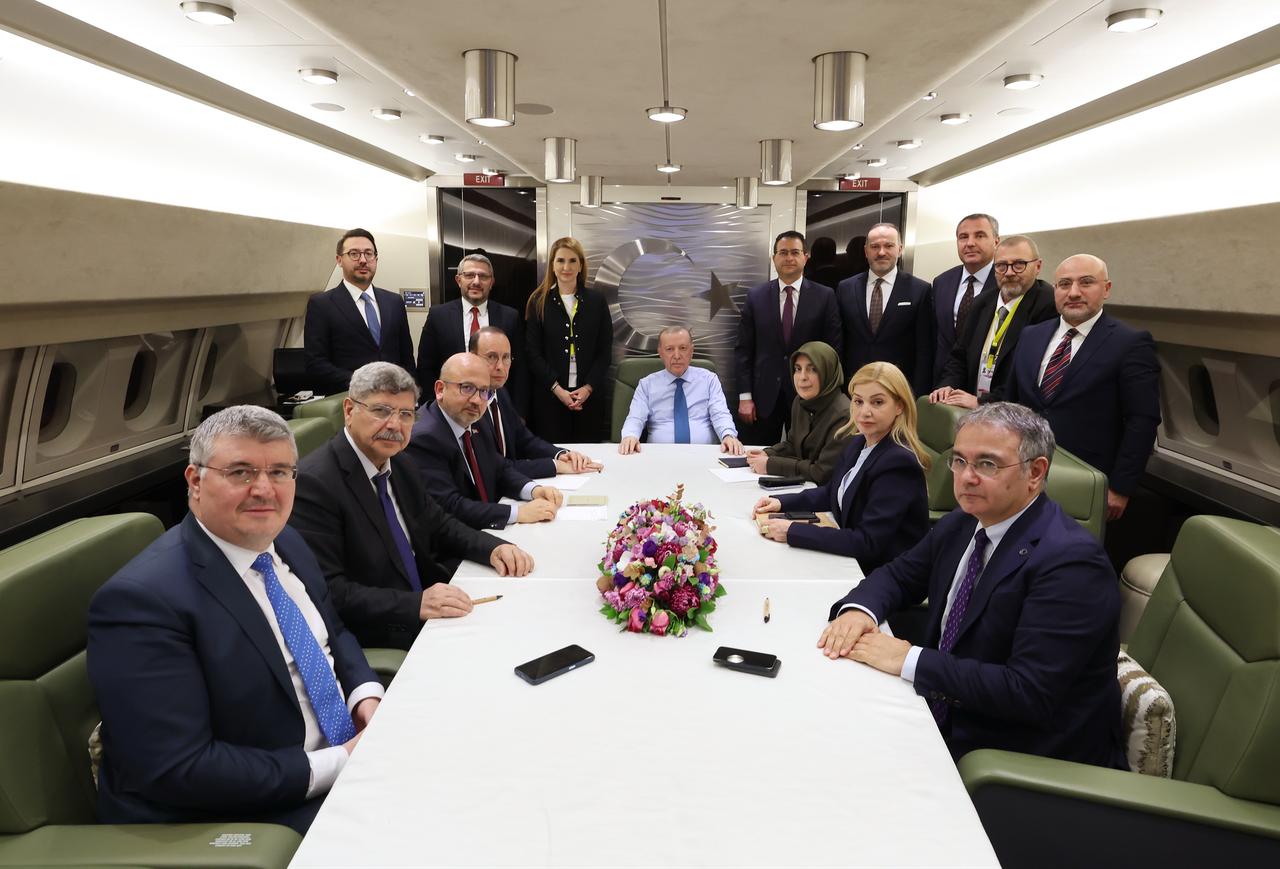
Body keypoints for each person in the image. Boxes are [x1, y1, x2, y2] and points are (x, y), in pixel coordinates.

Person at [87, 406, 382, 834]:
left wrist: (365, 699)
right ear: (195, 482)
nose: (264, 489)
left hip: (343, 757)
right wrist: (342, 761)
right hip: (247, 812)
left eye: (280, 472)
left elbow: (332, 633)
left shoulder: (286, 542)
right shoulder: (141, 602)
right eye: (241, 472)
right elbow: (179, 768)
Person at [818, 402, 1127, 770]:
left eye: (987, 464)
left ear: (1035, 472)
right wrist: (859, 611)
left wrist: (907, 658)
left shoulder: (1072, 565)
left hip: (1012, 757)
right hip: (944, 709)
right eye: (960, 461)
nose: (966, 477)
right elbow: (899, 575)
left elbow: (1026, 692)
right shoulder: (963, 523)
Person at [289, 362, 534, 651]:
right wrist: (416, 604)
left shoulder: (400, 461)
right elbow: (330, 591)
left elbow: (438, 522)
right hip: (385, 630)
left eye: (406, 414)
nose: (395, 425)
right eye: (381, 411)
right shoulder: (315, 483)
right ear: (349, 410)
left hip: (433, 603)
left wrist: (493, 547)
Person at [1006, 254, 1161, 521]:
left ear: (1107, 289)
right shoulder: (1031, 335)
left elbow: (1142, 420)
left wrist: (1120, 487)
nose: (1074, 292)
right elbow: (1011, 403)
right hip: (1021, 470)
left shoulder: (1130, 343)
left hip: (1085, 479)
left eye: (1086, 282)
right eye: (1064, 284)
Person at [753, 361, 929, 572]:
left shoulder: (898, 462)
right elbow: (833, 493)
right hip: (853, 558)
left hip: (885, 574)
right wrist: (781, 503)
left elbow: (867, 542)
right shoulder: (858, 442)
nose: (864, 412)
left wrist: (793, 531)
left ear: (899, 406)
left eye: (877, 402)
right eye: (858, 401)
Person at [405, 352, 563, 530]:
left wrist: (533, 490)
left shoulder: (475, 419)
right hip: (454, 547)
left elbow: (498, 468)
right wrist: (518, 513)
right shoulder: (423, 438)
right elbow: (450, 506)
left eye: (484, 391)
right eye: (467, 388)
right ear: (440, 389)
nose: (476, 400)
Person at [735, 230, 842, 445]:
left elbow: (833, 349)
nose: (789, 258)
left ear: (806, 257)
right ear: (774, 257)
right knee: (757, 456)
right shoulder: (756, 297)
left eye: (795, 252)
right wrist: (745, 397)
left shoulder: (825, 296)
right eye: (783, 252)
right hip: (763, 398)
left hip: (809, 396)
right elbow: (744, 350)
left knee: (805, 457)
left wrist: (827, 396)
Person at [929, 235, 1057, 408]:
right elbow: (959, 355)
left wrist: (982, 402)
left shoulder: (1048, 304)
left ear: (1038, 266)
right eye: (1002, 266)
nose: (1010, 272)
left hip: (1013, 412)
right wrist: (948, 385)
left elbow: (1030, 374)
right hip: (973, 410)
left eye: (1019, 264)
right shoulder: (982, 301)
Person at [470, 326, 601, 478]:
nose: (500, 366)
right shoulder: (469, 404)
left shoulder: (500, 393)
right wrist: (554, 466)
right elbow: (495, 468)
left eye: (506, 357)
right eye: (491, 357)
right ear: (472, 357)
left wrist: (561, 454)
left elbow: (524, 440)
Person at [304, 228, 416, 395]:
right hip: (348, 398)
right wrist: (364, 383)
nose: (363, 260)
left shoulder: (393, 302)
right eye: (354, 254)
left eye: (368, 253)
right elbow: (316, 364)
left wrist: (411, 394)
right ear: (339, 260)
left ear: (376, 259)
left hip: (395, 397)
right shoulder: (322, 304)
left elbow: (406, 357)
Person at [524, 237, 613, 442]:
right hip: (550, 398)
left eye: (573, 261)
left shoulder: (596, 302)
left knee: (590, 458)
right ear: (552, 266)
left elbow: (604, 351)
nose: (566, 267)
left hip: (589, 399)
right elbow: (533, 353)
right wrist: (558, 389)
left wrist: (588, 387)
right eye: (560, 260)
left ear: (581, 265)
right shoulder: (538, 302)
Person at [417, 252, 526, 411]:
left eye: (483, 276)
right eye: (469, 275)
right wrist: (435, 408)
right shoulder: (438, 316)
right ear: (458, 280)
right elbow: (425, 367)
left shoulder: (510, 317)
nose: (476, 281)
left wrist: (518, 413)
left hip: (497, 409)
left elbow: (520, 370)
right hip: (451, 408)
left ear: (491, 282)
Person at [837, 223, 934, 396]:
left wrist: (918, 395)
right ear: (866, 251)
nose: (881, 252)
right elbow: (840, 341)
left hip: (899, 389)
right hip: (854, 388)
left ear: (900, 249)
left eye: (889, 245)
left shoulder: (920, 290)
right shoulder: (845, 288)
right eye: (875, 247)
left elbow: (924, 350)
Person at [619, 326, 744, 455]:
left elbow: (720, 414)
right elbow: (636, 418)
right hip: (659, 455)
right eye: (669, 349)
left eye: (683, 348)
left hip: (704, 454)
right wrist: (630, 436)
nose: (677, 355)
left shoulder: (709, 380)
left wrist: (728, 435)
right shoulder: (647, 384)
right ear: (660, 353)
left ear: (691, 351)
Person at [745, 341, 851, 484]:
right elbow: (792, 444)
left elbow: (823, 472)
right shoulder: (800, 402)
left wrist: (770, 465)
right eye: (797, 369)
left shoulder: (844, 415)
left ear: (828, 371)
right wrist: (768, 453)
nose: (802, 377)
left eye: (813, 369)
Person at [931, 214, 999, 384]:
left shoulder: (1004, 283)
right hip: (942, 384)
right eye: (963, 237)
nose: (970, 243)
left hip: (986, 384)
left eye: (980, 235)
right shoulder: (941, 282)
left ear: (996, 241)